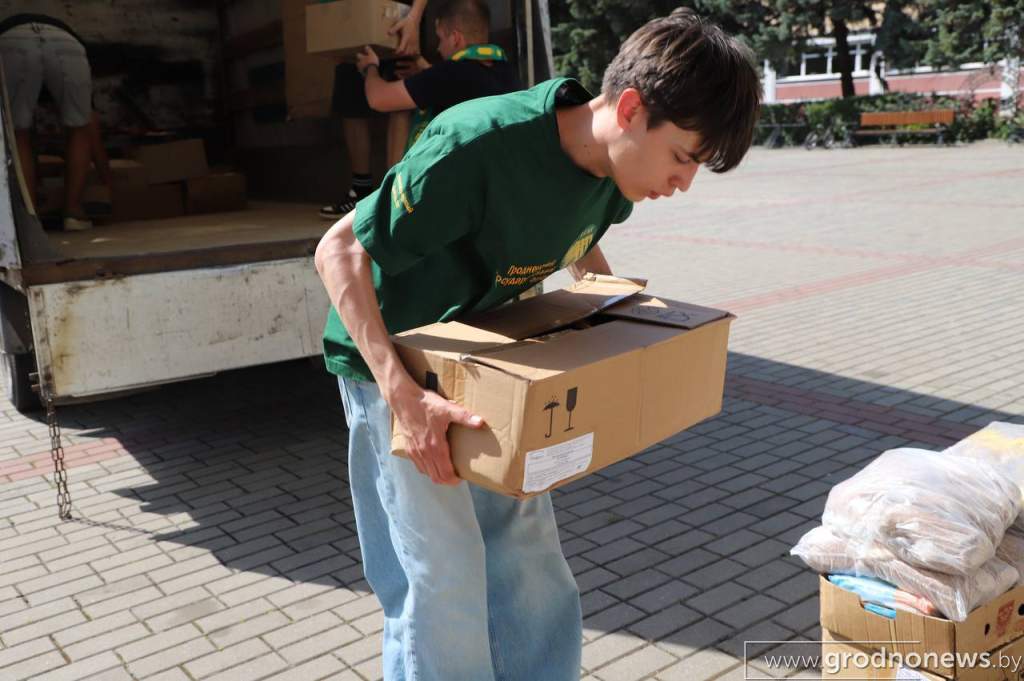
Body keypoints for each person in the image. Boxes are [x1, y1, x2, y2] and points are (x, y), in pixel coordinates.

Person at [314, 9, 760, 681]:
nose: (682, 184)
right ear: (630, 110)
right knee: (443, 582)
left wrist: (626, 328)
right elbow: (338, 250)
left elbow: (576, 241)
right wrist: (401, 397)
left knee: (527, 560)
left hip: (487, 363)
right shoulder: (479, 144)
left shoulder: (611, 173)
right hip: (398, 368)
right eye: (681, 157)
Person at [354, 0, 519, 166]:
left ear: (455, 38)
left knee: (400, 109)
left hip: (458, 176)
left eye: (440, 39)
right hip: (497, 171)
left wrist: (370, 67)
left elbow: (378, 98)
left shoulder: (449, 74)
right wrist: (424, 70)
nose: (439, 48)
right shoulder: (505, 71)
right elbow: (459, 84)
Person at [319, 0, 428, 219]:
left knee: (401, 96)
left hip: (400, 15)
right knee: (349, 97)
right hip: (358, 17)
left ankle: (395, 194)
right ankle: (361, 190)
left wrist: (414, 18)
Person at [0, 13, 99, 231]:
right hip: (66, 43)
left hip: (11, 41)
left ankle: (30, 219)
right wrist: (107, 180)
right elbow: (91, 125)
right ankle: (74, 213)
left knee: (17, 133)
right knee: (79, 128)